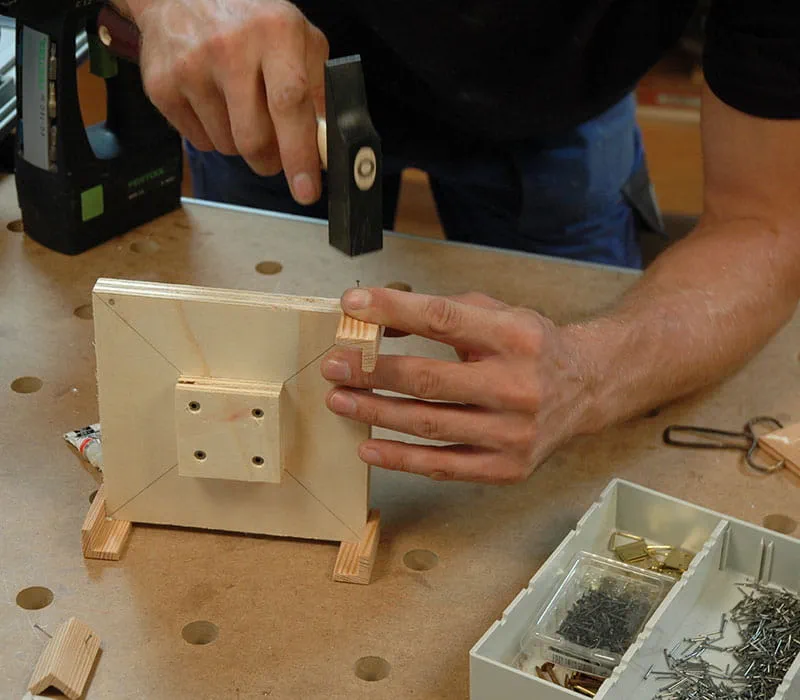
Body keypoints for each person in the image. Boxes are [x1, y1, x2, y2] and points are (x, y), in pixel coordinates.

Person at [124, 0, 800, 484]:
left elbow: (767, 222)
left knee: (571, 444)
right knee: (251, 388)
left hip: (557, 107)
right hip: (267, 80)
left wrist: (589, 374)